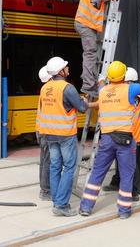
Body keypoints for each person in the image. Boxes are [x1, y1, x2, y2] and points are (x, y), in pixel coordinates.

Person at [79, 60, 140, 219]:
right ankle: (123, 211)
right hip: (125, 141)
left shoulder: (103, 90)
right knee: (127, 175)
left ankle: (86, 207)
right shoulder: (130, 89)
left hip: (106, 139)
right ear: (124, 76)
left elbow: (101, 84)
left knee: (97, 174)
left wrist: (101, 78)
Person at [39, 56, 97, 217]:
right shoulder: (67, 88)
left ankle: (57, 200)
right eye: (66, 67)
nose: (68, 69)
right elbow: (81, 108)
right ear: (61, 71)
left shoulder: (45, 88)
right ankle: (61, 204)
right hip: (65, 134)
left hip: (49, 134)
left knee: (55, 166)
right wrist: (83, 101)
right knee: (69, 167)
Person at [74, 0, 134, 98]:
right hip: (85, 25)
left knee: (92, 54)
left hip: (86, 24)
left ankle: (90, 81)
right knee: (90, 54)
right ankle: (89, 86)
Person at [102, 67, 140, 201]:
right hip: (126, 134)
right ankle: (116, 182)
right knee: (122, 162)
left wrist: (102, 82)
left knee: (130, 166)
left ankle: (133, 192)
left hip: (132, 135)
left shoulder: (132, 94)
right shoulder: (131, 92)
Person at [36, 65, 53, 201]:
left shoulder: (43, 90)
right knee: (48, 161)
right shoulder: (49, 90)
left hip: (40, 129)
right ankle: (46, 190)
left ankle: (44, 188)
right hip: (46, 131)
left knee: (44, 160)